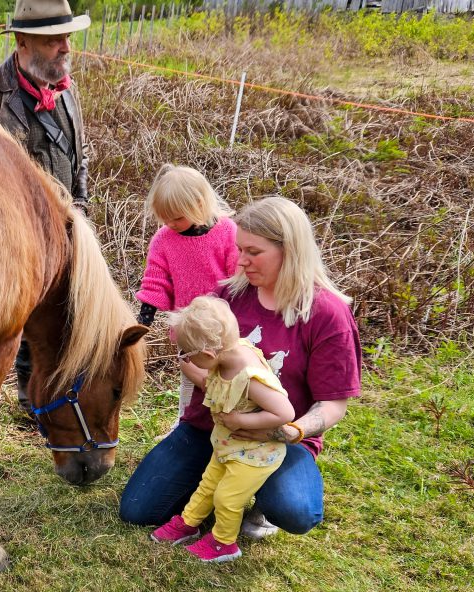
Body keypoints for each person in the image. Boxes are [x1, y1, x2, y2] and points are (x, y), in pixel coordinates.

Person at [119, 197, 362, 542]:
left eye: (253, 252)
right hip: (210, 427)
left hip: (279, 441)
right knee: (138, 510)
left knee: (296, 510)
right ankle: (217, 484)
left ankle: (258, 494)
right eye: (239, 249)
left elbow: (333, 404)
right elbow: (188, 356)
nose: (241, 260)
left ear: (290, 250)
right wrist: (210, 381)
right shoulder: (226, 297)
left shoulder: (327, 314)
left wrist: (287, 431)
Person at [0, 0, 92, 413]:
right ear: (22, 42)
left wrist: (81, 209)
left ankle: (49, 391)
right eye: (54, 40)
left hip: (63, 231)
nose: (65, 48)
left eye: (66, 37)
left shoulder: (67, 92)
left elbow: (79, 157)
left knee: (58, 317)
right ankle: (13, 391)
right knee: (15, 320)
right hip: (5, 241)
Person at [148, 296, 294, 563]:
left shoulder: (249, 375)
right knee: (207, 486)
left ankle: (223, 543)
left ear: (207, 355)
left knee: (227, 498)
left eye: (186, 354)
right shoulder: (225, 357)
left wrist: (242, 421)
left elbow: (285, 413)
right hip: (227, 444)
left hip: (254, 454)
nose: (183, 358)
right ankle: (188, 522)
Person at [133, 164, 238, 435]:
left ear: (199, 204)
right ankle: (185, 423)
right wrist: (143, 322)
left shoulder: (227, 232)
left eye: (177, 218)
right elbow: (155, 279)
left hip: (225, 327)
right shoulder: (163, 239)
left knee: (230, 377)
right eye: (164, 219)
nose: (170, 224)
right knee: (190, 378)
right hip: (188, 329)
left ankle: (230, 424)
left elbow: (237, 280)